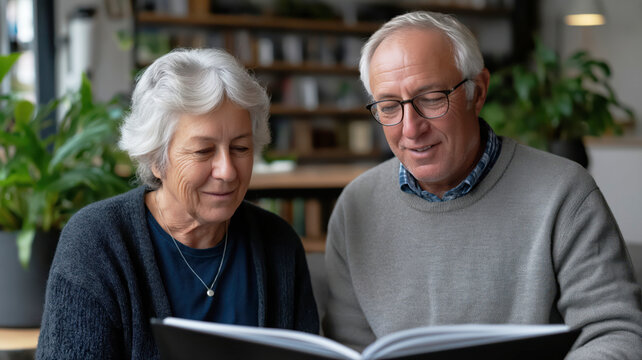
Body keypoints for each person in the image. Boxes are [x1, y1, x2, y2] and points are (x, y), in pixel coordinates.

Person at [322, 11, 642, 359]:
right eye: (388, 106)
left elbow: (616, 335)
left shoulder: (565, 194)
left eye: (431, 98)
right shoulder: (356, 207)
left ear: (478, 91)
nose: (410, 129)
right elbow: (349, 348)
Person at [37, 48, 319, 359]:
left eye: (240, 148)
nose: (226, 171)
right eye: (202, 151)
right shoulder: (95, 244)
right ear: (156, 159)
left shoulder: (278, 244)